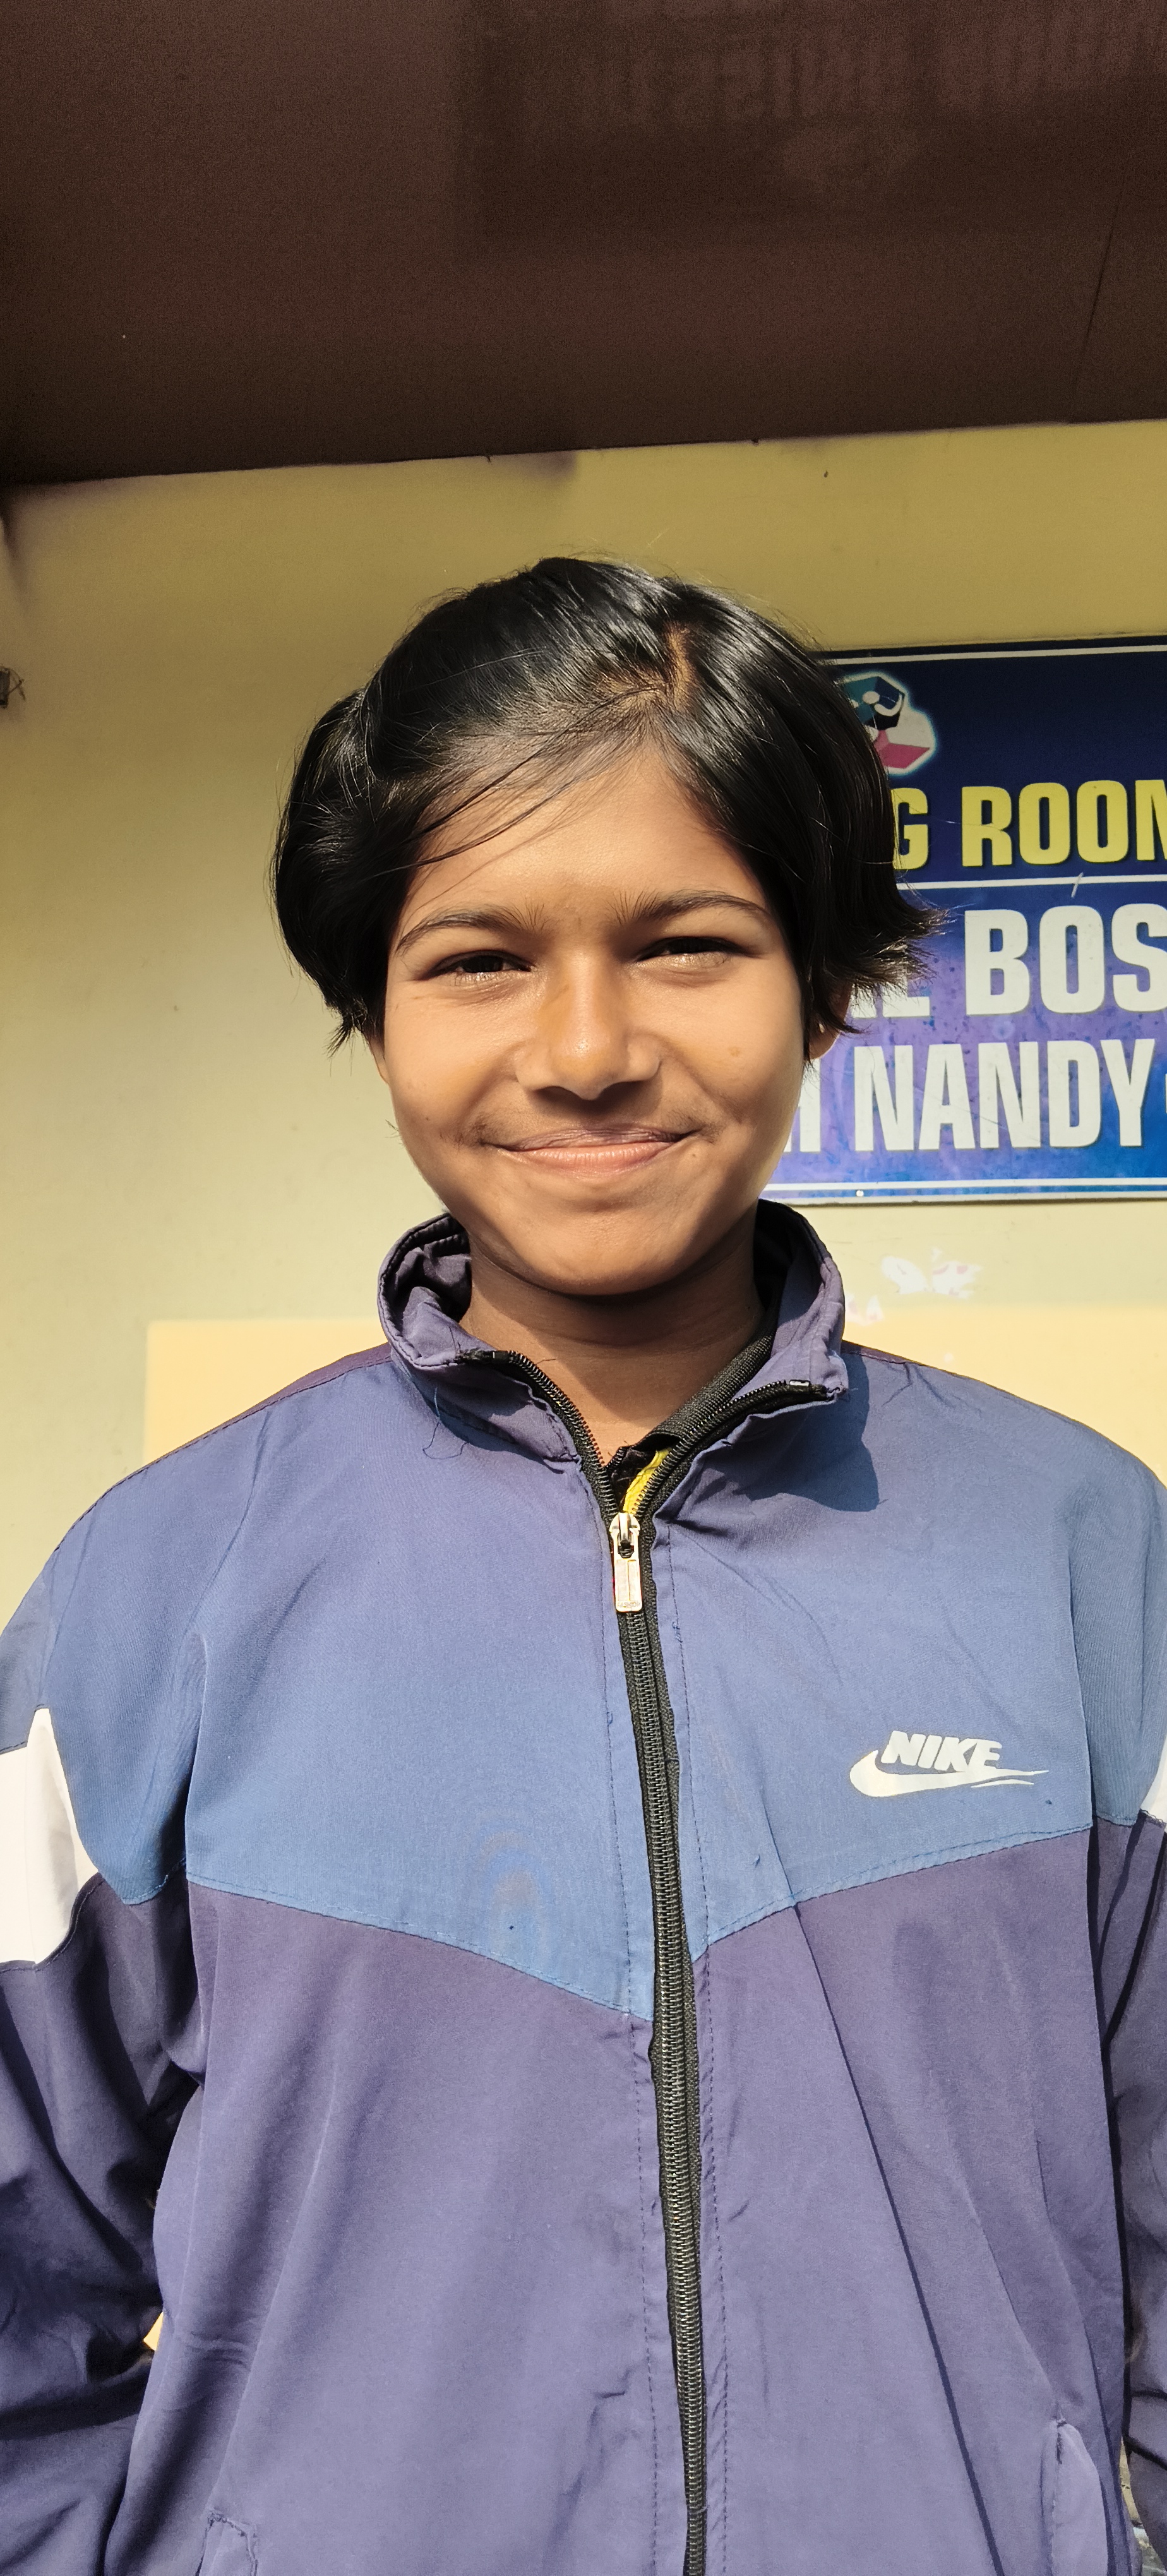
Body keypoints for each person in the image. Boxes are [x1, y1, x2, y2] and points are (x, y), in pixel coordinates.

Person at [2, 558, 1165, 2576]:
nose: (587, 1045)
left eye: (686, 944)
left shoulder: (1085, 1554)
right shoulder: (162, 1583)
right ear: (372, 1007)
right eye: (476, 958)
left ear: (823, 980)